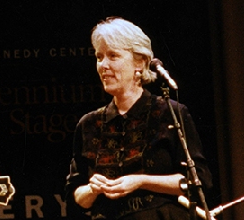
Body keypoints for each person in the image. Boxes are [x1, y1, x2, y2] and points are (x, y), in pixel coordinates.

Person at [65, 17, 212, 220]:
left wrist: (140, 181)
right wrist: (92, 189)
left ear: (140, 63)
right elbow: (75, 196)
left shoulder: (169, 112)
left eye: (113, 56)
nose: (103, 65)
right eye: (99, 57)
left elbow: (199, 181)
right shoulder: (89, 124)